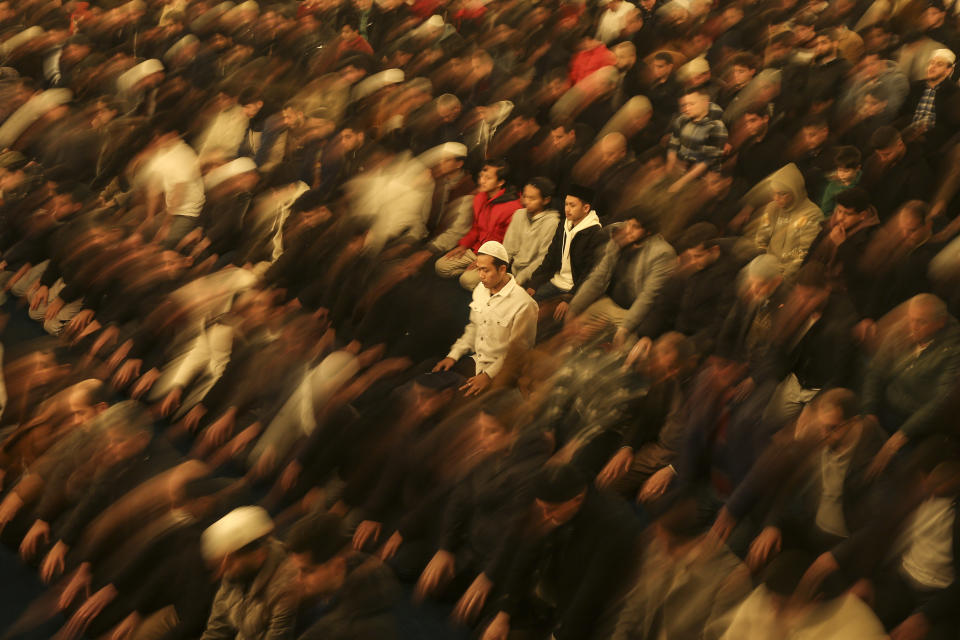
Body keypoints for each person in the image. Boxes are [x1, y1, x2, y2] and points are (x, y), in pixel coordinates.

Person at [863, 294, 960, 475]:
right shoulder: (907, 329)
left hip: (915, 426)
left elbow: (939, 402)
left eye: (921, 322)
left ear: (940, 323)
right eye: (911, 320)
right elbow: (876, 369)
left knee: (891, 475)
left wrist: (901, 436)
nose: (912, 327)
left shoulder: (953, 351)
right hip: (884, 408)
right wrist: (869, 411)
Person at [434, 241, 538, 395]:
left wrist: (488, 375)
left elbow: (518, 352)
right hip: (477, 362)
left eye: (485, 270)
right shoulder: (480, 290)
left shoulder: (524, 304)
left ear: (502, 269)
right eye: (478, 269)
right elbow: (474, 328)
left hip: (503, 374)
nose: (480, 276)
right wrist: (453, 355)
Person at [567, 207, 676, 348]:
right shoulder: (620, 238)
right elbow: (599, 277)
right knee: (573, 332)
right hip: (608, 303)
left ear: (648, 232)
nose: (628, 230)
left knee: (622, 350)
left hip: (631, 312)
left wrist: (625, 328)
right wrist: (574, 308)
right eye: (629, 224)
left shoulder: (662, 253)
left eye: (635, 227)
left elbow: (647, 296)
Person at [199, 506, 298, 640]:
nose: (223, 572)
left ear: (259, 554)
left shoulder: (286, 585)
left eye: (230, 561)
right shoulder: (234, 575)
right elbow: (217, 629)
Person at [435, 158, 521, 285]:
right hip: (476, 250)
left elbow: (509, 245)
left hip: (495, 257)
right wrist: (463, 245)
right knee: (440, 266)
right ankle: (478, 276)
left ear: (500, 182)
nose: (481, 181)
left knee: (466, 281)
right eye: (481, 176)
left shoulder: (513, 207)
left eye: (488, 178)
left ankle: (496, 280)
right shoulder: (480, 198)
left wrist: (485, 260)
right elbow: (475, 228)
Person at [524, 184, 605, 316]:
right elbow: (551, 257)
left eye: (572, 205)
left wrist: (569, 298)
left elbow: (589, 273)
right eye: (566, 204)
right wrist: (535, 283)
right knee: (523, 303)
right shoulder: (564, 224)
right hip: (556, 282)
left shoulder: (595, 233)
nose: (567, 209)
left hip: (573, 290)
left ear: (586, 208)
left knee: (541, 315)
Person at [753, 163, 824, 277]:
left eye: (782, 194)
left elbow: (803, 253)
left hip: (790, 274)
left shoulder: (812, 214)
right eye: (774, 193)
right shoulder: (773, 207)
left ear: (795, 191)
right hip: (767, 267)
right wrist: (760, 264)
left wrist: (784, 277)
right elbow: (761, 239)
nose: (776, 198)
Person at [665, 87, 729, 193]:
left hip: (703, 175)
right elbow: (673, 143)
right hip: (682, 167)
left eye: (691, 104)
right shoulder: (682, 120)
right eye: (684, 105)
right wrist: (670, 166)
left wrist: (681, 182)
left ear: (705, 102)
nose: (686, 109)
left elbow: (706, 162)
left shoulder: (716, 127)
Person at [500, 177, 560, 288]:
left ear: (546, 200)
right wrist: (500, 269)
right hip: (511, 270)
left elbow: (542, 258)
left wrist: (520, 279)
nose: (526, 201)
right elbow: (508, 248)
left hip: (532, 276)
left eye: (532, 198)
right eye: (525, 196)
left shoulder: (552, 222)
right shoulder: (518, 214)